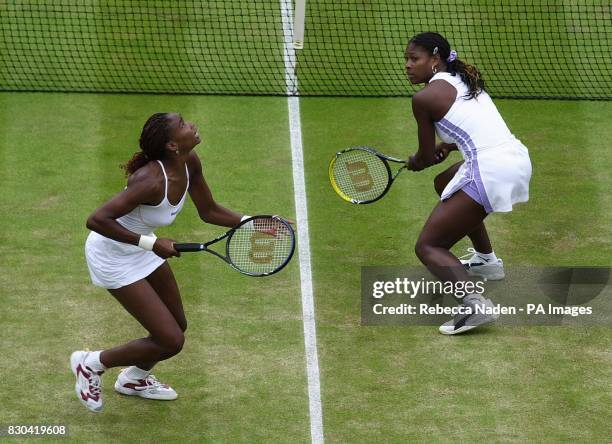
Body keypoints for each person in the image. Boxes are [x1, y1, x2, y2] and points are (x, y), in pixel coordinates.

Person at [72, 112, 255, 412]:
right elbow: (96, 220)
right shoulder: (150, 180)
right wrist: (151, 243)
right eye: (183, 125)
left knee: (177, 325)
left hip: (141, 248)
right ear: (172, 145)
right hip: (112, 255)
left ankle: (134, 379)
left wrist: (253, 223)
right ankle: (90, 364)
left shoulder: (190, 162)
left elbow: (208, 210)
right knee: (171, 340)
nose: (192, 125)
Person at [404, 32, 532, 335]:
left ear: (435, 59)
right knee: (444, 181)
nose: (407, 65)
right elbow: (477, 127)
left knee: (428, 246)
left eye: (414, 59)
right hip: (515, 159)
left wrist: (417, 160)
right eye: (405, 59)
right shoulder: (462, 78)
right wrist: (448, 147)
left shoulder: (424, 99)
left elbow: (423, 157)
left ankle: (473, 305)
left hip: (488, 169)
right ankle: (487, 261)